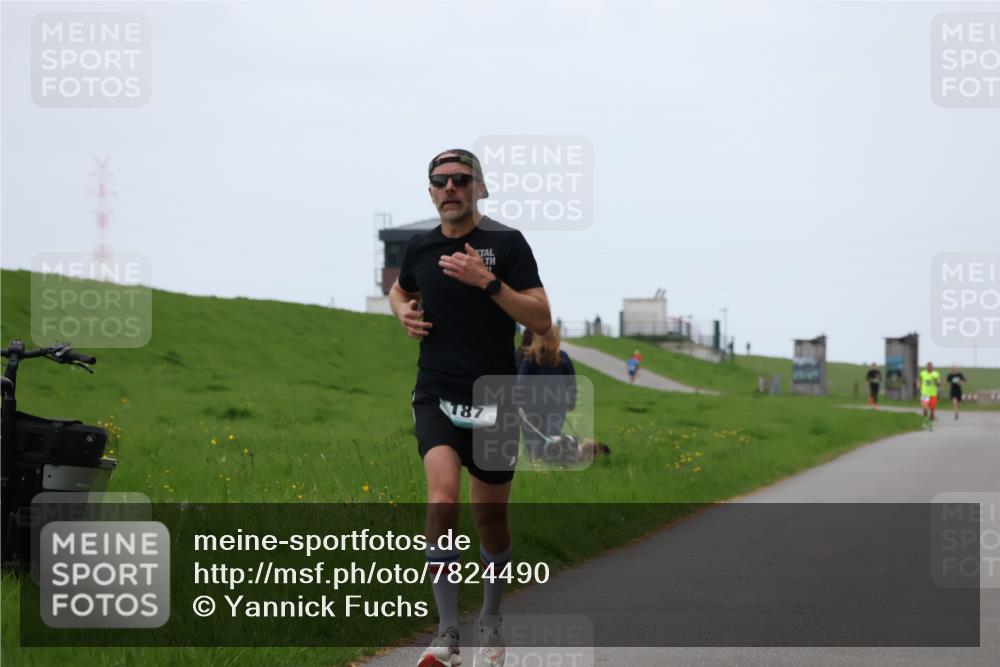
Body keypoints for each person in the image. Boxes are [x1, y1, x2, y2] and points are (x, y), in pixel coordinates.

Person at [390, 148, 551, 667]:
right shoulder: (419, 247)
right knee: (442, 500)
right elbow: (400, 290)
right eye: (440, 181)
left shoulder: (506, 245)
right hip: (436, 391)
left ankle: (492, 616)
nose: (451, 187)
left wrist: (489, 283)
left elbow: (542, 319)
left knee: (491, 518)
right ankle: (448, 633)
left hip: (496, 398)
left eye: (462, 179)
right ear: (431, 192)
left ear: (480, 188)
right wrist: (403, 314)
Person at [517, 326, 577, 461]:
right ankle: (551, 462)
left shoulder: (530, 357)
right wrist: (571, 401)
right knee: (553, 437)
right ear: (557, 339)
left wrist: (518, 403)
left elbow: (521, 384)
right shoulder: (563, 358)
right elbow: (571, 383)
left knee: (534, 438)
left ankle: (536, 464)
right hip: (557, 405)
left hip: (531, 406)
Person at [917, 361, 941, 430]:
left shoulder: (935, 374)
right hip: (925, 394)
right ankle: (925, 423)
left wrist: (937, 382)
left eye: (931, 367)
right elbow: (919, 379)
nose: (929, 368)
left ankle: (931, 420)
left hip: (933, 394)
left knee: (932, 411)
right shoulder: (923, 373)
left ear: (933, 367)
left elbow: (938, 382)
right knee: (925, 409)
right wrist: (918, 385)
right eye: (928, 366)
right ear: (926, 367)